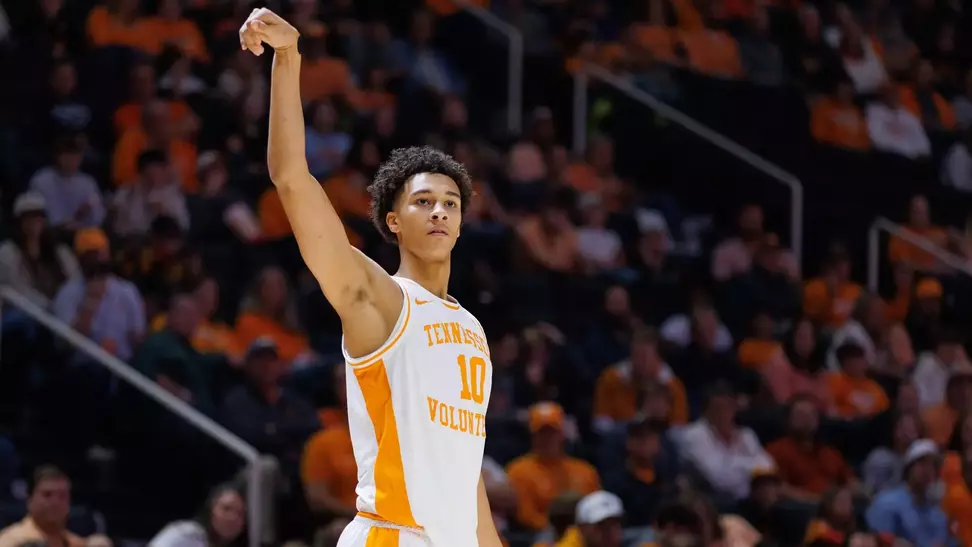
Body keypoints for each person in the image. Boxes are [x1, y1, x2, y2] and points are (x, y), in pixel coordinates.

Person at [238, 8, 501, 547]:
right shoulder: (381, 299)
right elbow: (291, 180)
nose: (439, 212)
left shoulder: (473, 328)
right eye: (423, 202)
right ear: (392, 221)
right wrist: (288, 59)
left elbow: (463, 465)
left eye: (450, 203)